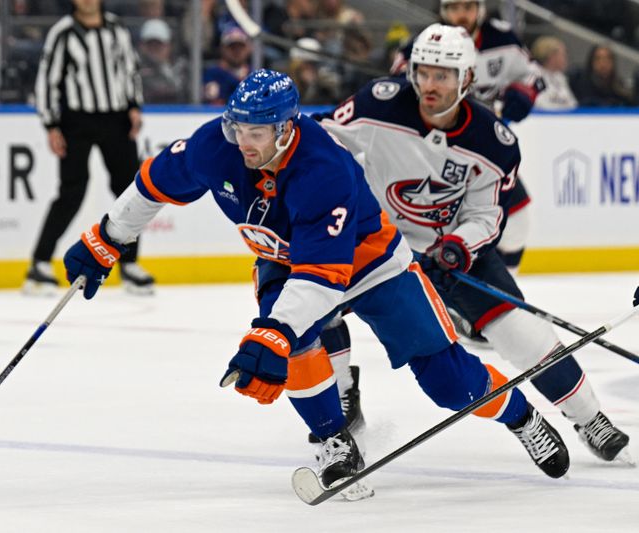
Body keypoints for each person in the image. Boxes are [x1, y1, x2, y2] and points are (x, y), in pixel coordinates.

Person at [62, 69, 571, 500]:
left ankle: (521, 416)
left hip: (370, 264)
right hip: (283, 262)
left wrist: (271, 332)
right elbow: (153, 183)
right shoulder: (215, 146)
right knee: (294, 344)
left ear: (286, 129)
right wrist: (107, 238)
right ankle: (333, 440)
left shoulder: (322, 168)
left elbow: (322, 279)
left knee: (447, 381)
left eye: (257, 132)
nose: (243, 141)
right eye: (238, 127)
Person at [317, 23, 631, 463]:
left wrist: (458, 247)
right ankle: (343, 394)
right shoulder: (379, 103)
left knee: (527, 335)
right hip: (379, 245)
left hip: (452, 255)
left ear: (466, 79)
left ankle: (589, 418)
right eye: (423, 72)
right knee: (315, 296)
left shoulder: (493, 141)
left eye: (442, 76)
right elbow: (324, 141)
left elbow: (487, 215)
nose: (430, 84)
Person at [392, 0, 544, 273]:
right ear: (443, 10)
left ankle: (501, 291)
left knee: (517, 224)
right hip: (432, 154)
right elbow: (400, 85)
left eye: (467, 6)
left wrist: (525, 92)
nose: (460, 14)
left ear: (480, 8)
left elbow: (534, 75)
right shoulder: (427, 42)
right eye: (453, 7)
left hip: (483, 151)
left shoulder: (502, 39)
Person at [26, 0, 155, 296]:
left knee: (131, 191)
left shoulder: (116, 28)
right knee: (72, 191)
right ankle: (40, 262)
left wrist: (134, 106)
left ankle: (130, 264)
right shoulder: (63, 33)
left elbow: (130, 69)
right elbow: (47, 80)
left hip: (117, 118)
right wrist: (51, 125)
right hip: (77, 120)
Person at [137, 18, 189, 103]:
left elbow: (189, 91)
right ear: (142, 46)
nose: (154, 49)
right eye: (150, 44)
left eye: (159, 44)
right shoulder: (138, 68)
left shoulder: (182, 66)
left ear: (169, 45)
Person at [569, 44, 635, 107]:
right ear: (591, 62)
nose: (603, 63)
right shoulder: (580, 83)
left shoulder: (619, 88)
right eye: (598, 58)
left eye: (607, 59)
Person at [202, 25, 252, 104]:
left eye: (241, 47)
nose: (237, 51)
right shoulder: (212, 74)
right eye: (232, 47)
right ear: (222, 48)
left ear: (248, 49)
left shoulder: (254, 75)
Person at [530, 36, 578, 111]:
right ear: (551, 56)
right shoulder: (533, 74)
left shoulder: (560, 77)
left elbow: (572, 104)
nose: (566, 58)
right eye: (563, 54)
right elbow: (539, 104)